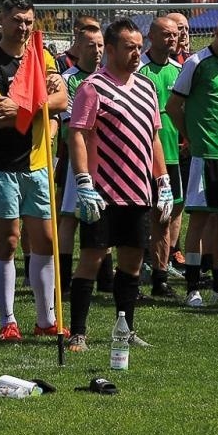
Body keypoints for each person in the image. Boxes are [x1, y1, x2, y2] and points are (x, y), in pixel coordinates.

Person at [0, 0, 67, 340]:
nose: (23, 27)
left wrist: (29, 105)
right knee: (7, 242)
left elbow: (62, 101)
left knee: (46, 240)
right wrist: (42, 105)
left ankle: (45, 319)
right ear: (2, 22)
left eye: (28, 21)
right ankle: (8, 320)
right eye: (17, 20)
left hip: (38, 163)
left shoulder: (43, 55)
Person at [66, 19, 173, 350]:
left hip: (138, 191)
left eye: (139, 46)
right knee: (92, 258)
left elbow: (153, 137)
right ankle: (78, 333)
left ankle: (125, 329)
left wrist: (163, 179)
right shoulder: (92, 88)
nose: (137, 53)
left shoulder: (147, 87)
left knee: (132, 262)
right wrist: (83, 181)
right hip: (102, 193)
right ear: (110, 50)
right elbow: (78, 134)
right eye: (130, 47)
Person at [168, 12, 218, 308]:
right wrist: (189, 137)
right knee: (200, 221)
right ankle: (193, 289)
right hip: (204, 154)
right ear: (217, 32)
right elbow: (174, 105)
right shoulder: (195, 63)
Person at [55, 20, 103, 303]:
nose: (96, 51)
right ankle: (62, 279)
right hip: (78, 157)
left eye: (99, 46)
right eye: (90, 46)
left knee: (103, 213)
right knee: (70, 216)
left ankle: (104, 277)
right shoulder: (68, 79)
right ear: (77, 47)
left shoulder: (107, 77)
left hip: (106, 159)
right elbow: (70, 119)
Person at [140, 17, 185, 300]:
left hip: (171, 156)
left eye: (175, 35)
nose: (172, 39)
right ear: (151, 36)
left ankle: (160, 276)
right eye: (166, 34)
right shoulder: (140, 71)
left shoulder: (181, 71)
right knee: (140, 216)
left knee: (166, 216)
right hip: (142, 158)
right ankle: (132, 270)